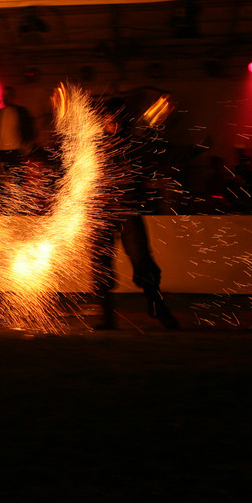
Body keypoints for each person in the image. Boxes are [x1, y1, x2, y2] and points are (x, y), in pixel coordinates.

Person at [92, 98, 178, 330]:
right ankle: (106, 315)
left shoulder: (133, 143)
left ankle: (157, 307)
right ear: (103, 120)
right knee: (100, 265)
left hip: (128, 210)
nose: (114, 123)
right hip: (101, 212)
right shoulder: (94, 145)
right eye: (110, 119)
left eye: (117, 119)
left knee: (142, 261)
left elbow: (158, 154)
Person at [0, 86, 37, 177]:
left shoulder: (21, 112)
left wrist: (27, 147)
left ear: (12, 96)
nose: (5, 98)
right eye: (4, 96)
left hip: (15, 151)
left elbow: (30, 129)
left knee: (15, 177)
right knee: (1, 178)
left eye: (7, 96)